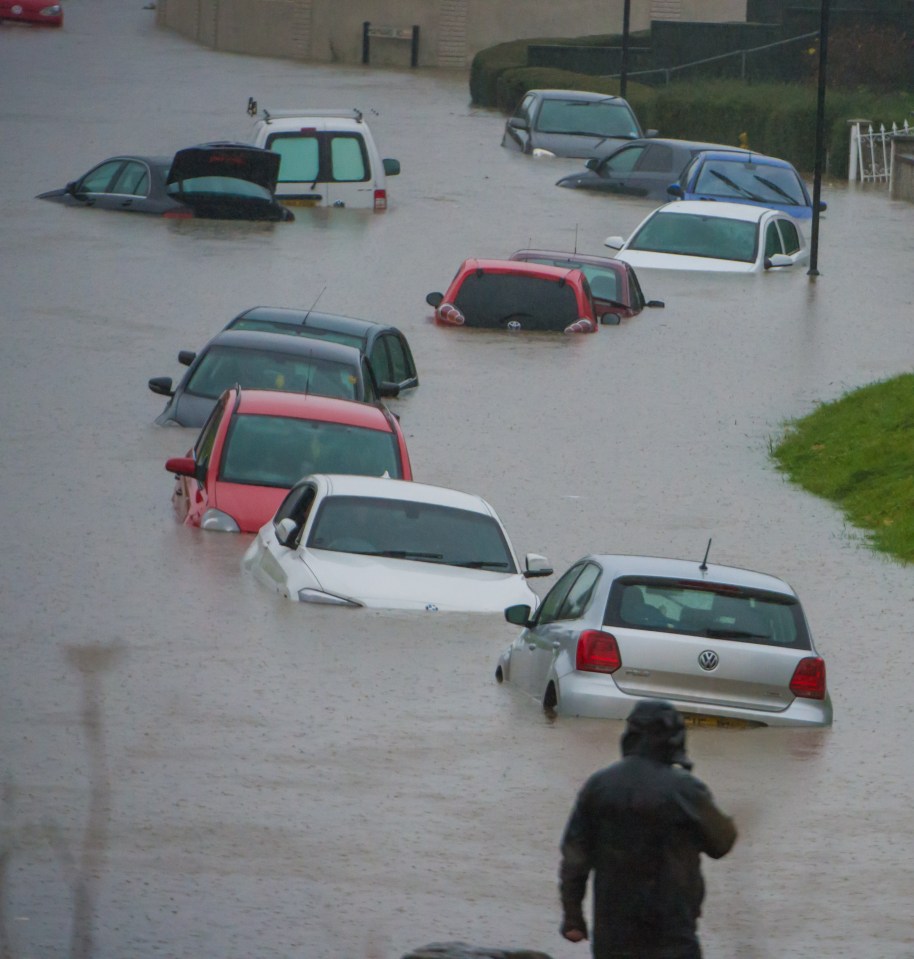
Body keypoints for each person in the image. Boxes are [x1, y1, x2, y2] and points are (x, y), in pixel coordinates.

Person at [558, 700, 737, 959]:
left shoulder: (598, 787)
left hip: (613, 938)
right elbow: (722, 844)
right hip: (673, 936)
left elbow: (574, 860)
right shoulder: (686, 790)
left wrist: (573, 918)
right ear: (674, 740)